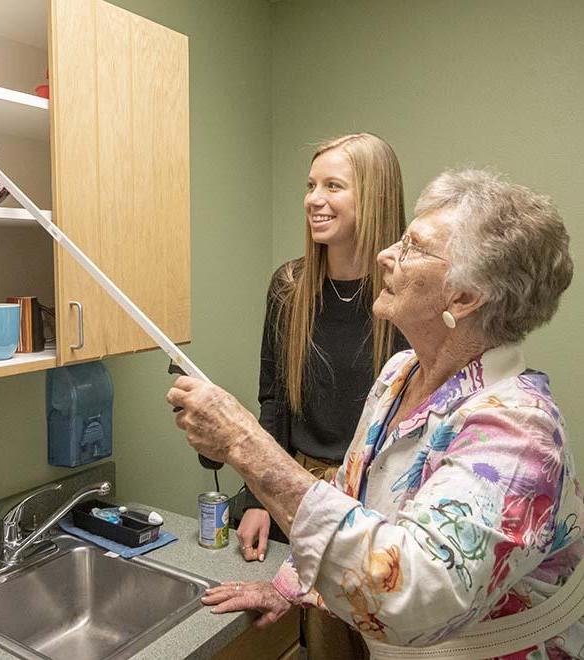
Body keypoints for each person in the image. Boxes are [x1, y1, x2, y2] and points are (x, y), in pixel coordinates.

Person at [167, 169, 582, 659]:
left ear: (465, 298)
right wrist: (287, 588)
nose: (386, 254)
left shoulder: (519, 432)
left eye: (412, 246)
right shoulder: (400, 373)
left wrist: (243, 443)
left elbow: (410, 597)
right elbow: (349, 499)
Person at [237, 132, 405, 658]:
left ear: (373, 197)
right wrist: (259, 498)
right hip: (298, 492)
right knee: (321, 646)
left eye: (334, 185)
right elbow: (273, 402)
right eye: (311, 185)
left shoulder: (405, 293)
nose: (314, 198)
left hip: (382, 506)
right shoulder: (289, 286)